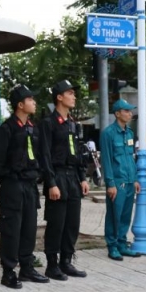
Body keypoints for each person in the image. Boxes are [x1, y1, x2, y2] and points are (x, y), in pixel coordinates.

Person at [0, 84, 49, 289]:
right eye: (31, 99)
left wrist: (38, 175)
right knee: (11, 230)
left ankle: (27, 267)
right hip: (13, 186)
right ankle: (8, 272)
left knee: (29, 228)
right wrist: (10, 178)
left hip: (30, 186)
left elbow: (40, 155)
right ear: (20, 105)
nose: (34, 103)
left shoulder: (33, 128)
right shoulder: (6, 129)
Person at [40, 79, 89, 280]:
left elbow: (77, 152)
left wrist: (83, 177)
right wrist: (50, 182)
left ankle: (66, 261)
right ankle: (52, 264)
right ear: (59, 97)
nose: (73, 96)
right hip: (57, 176)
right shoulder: (48, 123)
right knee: (56, 223)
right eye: (70, 93)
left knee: (72, 223)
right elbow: (44, 155)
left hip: (73, 178)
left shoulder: (72, 124)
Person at [100, 99, 142, 261]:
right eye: (126, 111)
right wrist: (110, 183)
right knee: (114, 215)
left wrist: (136, 178)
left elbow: (131, 158)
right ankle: (112, 246)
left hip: (130, 181)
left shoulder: (130, 132)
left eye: (130, 111)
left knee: (125, 215)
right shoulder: (108, 133)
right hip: (117, 182)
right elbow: (107, 160)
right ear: (117, 113)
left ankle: (122, 244)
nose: (130, 113)